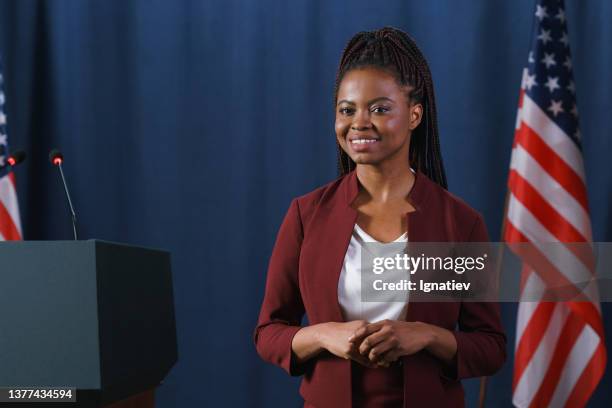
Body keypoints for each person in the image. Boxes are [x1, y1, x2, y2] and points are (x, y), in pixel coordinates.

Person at [254, 27, 506, 408]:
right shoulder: (307, 215)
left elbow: (490, 347)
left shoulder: (460, 222)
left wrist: (424, 335)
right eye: (347, 109)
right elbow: (268, 333)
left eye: (380, 109)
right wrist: (325, 335)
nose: (359, 122)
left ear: (415, 114)